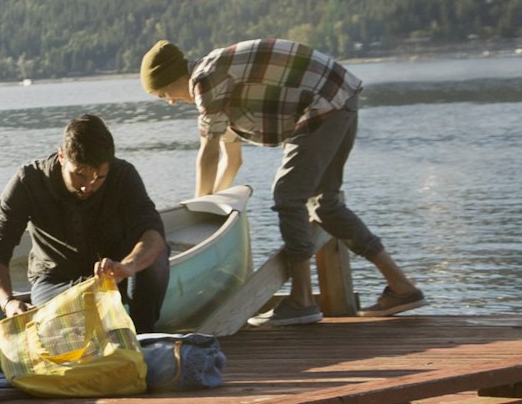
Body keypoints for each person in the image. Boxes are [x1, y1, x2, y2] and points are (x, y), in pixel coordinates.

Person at [142, 34, 425, 325]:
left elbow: (209, 152)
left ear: (173, 79)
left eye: (164, 95)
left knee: (288, 196)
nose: (171, 102)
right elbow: (232, 157)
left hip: (324, 104)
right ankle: (402, 288)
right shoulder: (217, 88)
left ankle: (302, 301)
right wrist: (216, 203)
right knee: (326, 206)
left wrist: (198, 210)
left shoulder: (205, 81)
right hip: (340, 97)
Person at [0, 112, 169, 332]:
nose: (88, 187)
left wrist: (128, 266)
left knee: (155, 260)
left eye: (99, 177)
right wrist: (7, 302)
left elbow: (153, 234)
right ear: (62, 156)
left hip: (115, 275)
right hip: (55, 282)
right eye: (80, 175)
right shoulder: (28, 181)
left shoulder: (123, 174)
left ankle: (143, 334)